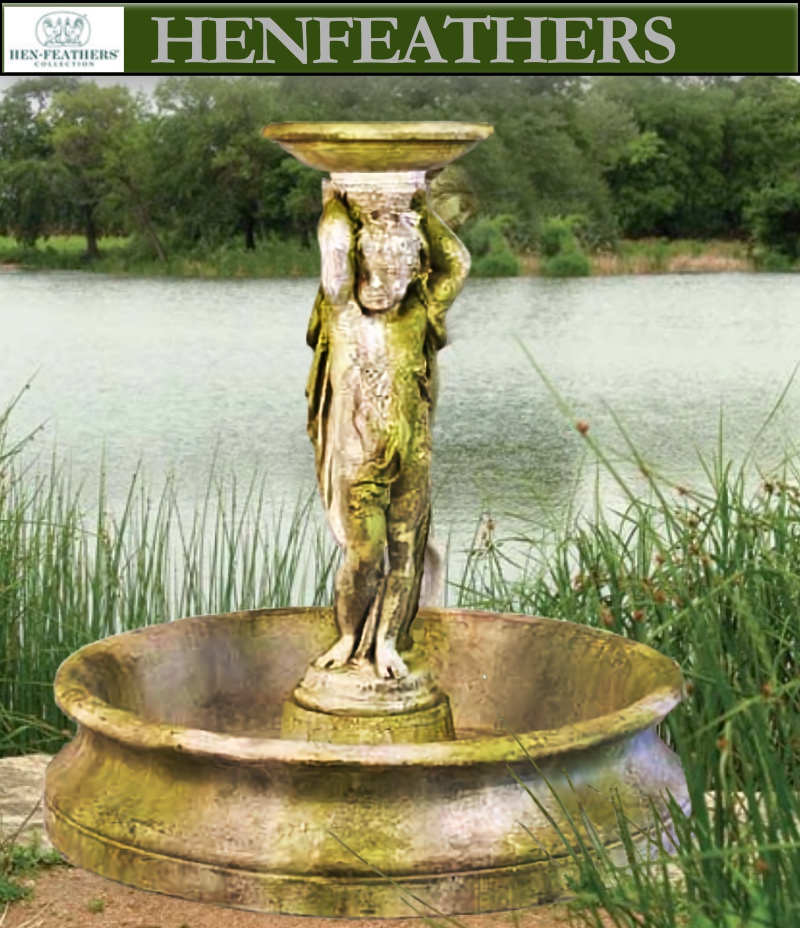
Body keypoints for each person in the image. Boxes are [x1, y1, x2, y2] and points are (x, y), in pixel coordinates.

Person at [305, 179, 469, 679]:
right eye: (380, 271)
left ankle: (388, 643)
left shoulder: (419, 312)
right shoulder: (343, 314)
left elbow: (457, 263)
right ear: (362, 267)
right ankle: (351, 636)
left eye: (402, 272)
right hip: (360, 463)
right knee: (365, 555)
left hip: (412, 454)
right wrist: (338, 208)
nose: (389, 284)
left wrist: (417, 205)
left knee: (407, 554)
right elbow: (333, 261)